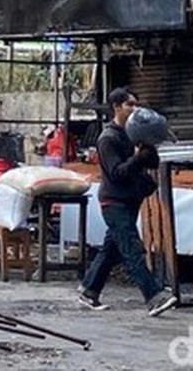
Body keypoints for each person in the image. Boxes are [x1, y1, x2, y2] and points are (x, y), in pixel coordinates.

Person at [76, 87, 178, 317]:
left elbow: (141, 165)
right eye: (129, 105)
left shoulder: (133, 135)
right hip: (114, 202)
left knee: (111, 249)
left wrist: (147, 158)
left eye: (135, 104)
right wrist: (137, 159)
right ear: (117, 107)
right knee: (132, 249)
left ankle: (88, 290)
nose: (134, 109)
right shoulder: (108, 138)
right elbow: (116, 173)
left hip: (130, 199)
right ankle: (153, 297)